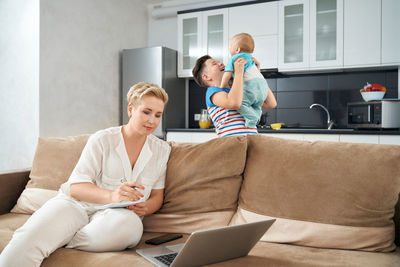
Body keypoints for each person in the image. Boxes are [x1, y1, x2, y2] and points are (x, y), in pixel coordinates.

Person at [0, 82, 171, 267]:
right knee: (27, 240)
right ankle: (50, 235)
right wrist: (112, 195)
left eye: (158, 115)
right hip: (76, 205)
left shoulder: (161, 150)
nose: (152, 121)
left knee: (131, 228)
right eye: (146, 112)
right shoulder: (102, 139)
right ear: (131, 109)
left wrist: (147, 208)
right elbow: (76, 187)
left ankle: (62, 239)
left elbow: (157, 196)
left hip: (118, 216)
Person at [192, 55, 277, 137]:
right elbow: (234, 103)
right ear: (206, 77)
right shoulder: (212, 91)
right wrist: (238, 73)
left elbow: (270, 103)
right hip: (232, 142)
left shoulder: (239, 90)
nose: (221, 63)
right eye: (214, 64)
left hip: (251, 140)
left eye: (220, 62)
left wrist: (256, 75)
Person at [220, 33, 269, 128]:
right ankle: (257, 117)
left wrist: (222, 86)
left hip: (251, 85)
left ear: (237, 49)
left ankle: (252, 119)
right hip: (263, 86)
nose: (229, 48)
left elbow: (227, 73)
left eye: (230, 46)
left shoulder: (235, 58)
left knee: (241, 103)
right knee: (257, 104)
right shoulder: (251, 58)